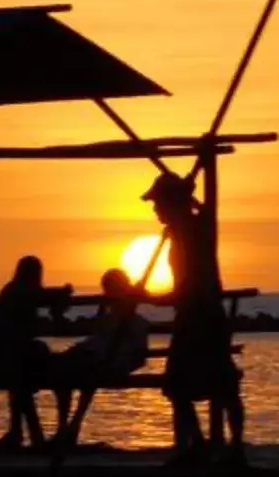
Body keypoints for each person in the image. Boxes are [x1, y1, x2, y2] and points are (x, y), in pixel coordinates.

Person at [149, 171, 243, 452]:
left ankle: (234, 447)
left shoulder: (195, 229)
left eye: (159, 204)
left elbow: (192, 284)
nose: (155, 210)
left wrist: (157, 299)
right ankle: (197, 445)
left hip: (204, 317)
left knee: (222, 385)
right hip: (190, 317)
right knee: (178, 387)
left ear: (172, 203)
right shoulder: (181, 231)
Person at [49, 266, 154, 444]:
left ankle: (69, 428)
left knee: (76, 374)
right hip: (95, 359)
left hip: (107, 362)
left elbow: (138, 357)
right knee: (64, 373)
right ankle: (66, 427)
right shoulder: (108, 317)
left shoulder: (133, 322)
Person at [0, 254, 67, 449]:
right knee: (22, 379)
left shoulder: (14, 291)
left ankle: (20, 432)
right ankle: (37, 436)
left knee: (21, 375)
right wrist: (62, 294)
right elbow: (43, 298)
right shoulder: (19, 292)